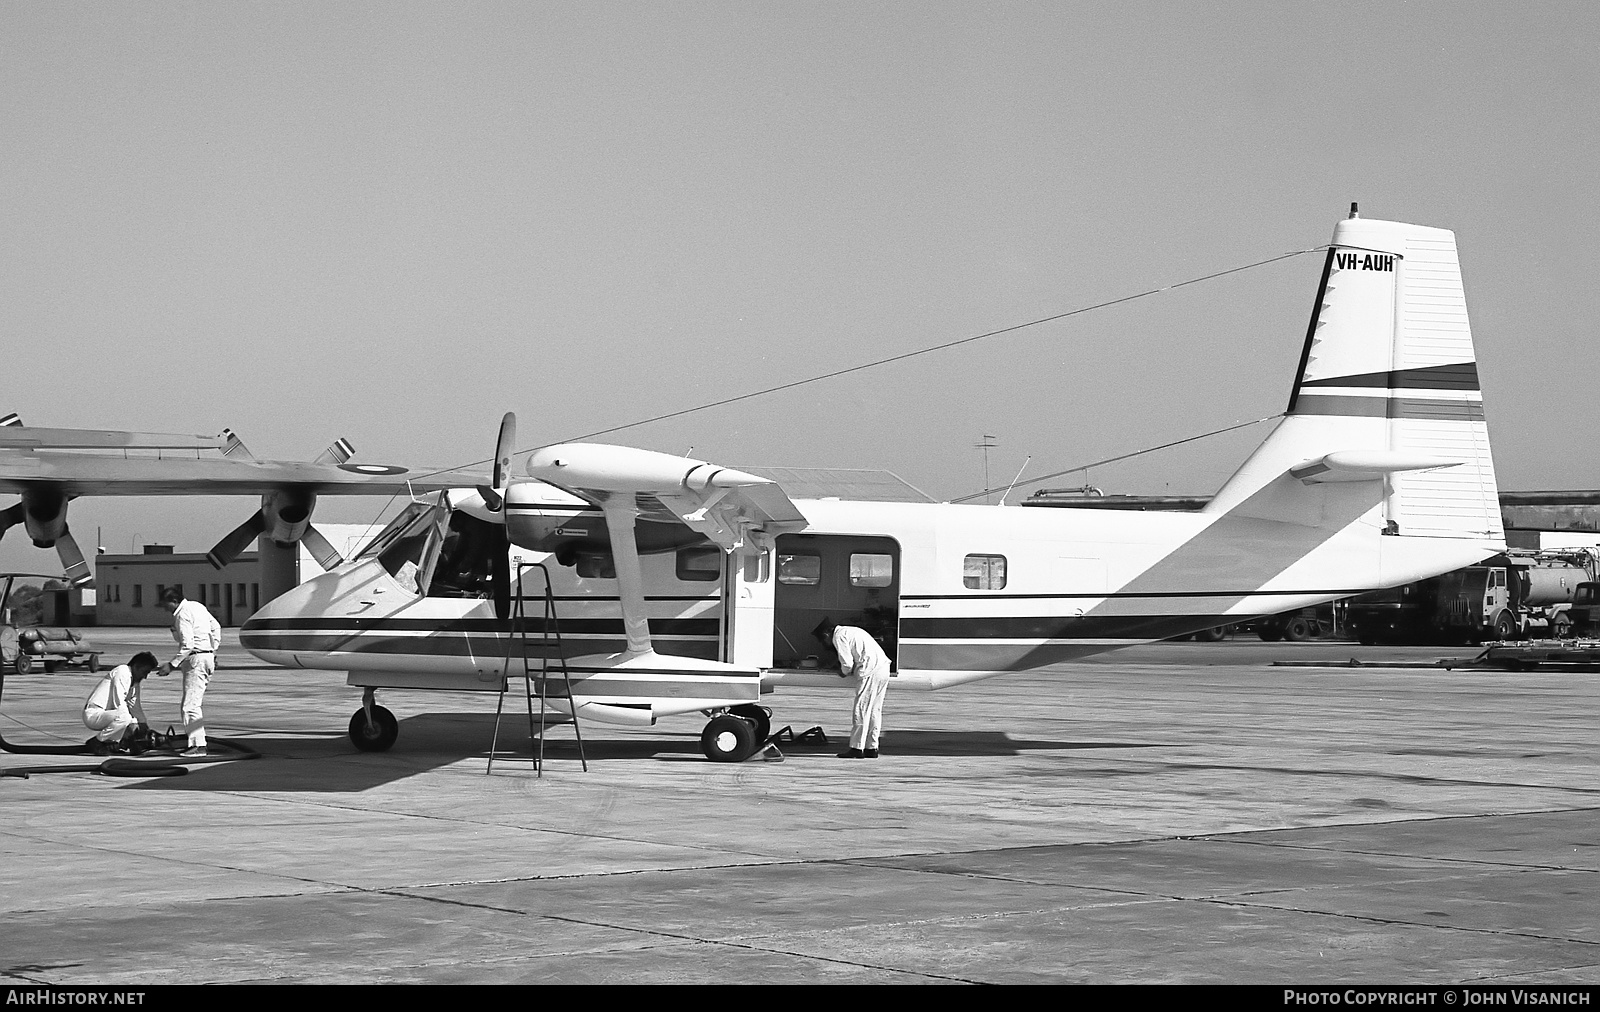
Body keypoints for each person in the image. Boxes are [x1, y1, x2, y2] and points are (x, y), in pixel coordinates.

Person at [157, 587, 222, 756]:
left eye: (166, 604)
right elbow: (216, 627)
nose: (164, 609)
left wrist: (172, 665)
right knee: (193, 704)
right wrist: (212, 649)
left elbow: (188, 644)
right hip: (206, 657)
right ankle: (196, 743)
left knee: (190, 706)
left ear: (174, 601)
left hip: (196, 660)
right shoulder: (198, 606)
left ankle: (198, 745)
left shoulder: (182, 614)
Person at [813, 617, 891, 759]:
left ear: (826, 635)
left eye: (823, 641)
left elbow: (847, 665)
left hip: (870, 671)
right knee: (874, 711)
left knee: (861, 710)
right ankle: (871, 748)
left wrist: (842, 672)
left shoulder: (839, 636)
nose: (824, 644)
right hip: (883, 668)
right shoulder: (850, 631)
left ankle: (856, 748)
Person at [82, 652, 159, 754]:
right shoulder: (122, 671)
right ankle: (97, 742)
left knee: (131, 721)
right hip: (93, 714)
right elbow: (118, 703)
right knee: (125, 717)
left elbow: (135, 706)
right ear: (136, 666)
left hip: (107, 715)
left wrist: (143, 725)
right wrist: (133, 725)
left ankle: (113, 744)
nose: (145, 677)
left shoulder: (134, 684)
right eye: (144, 672)